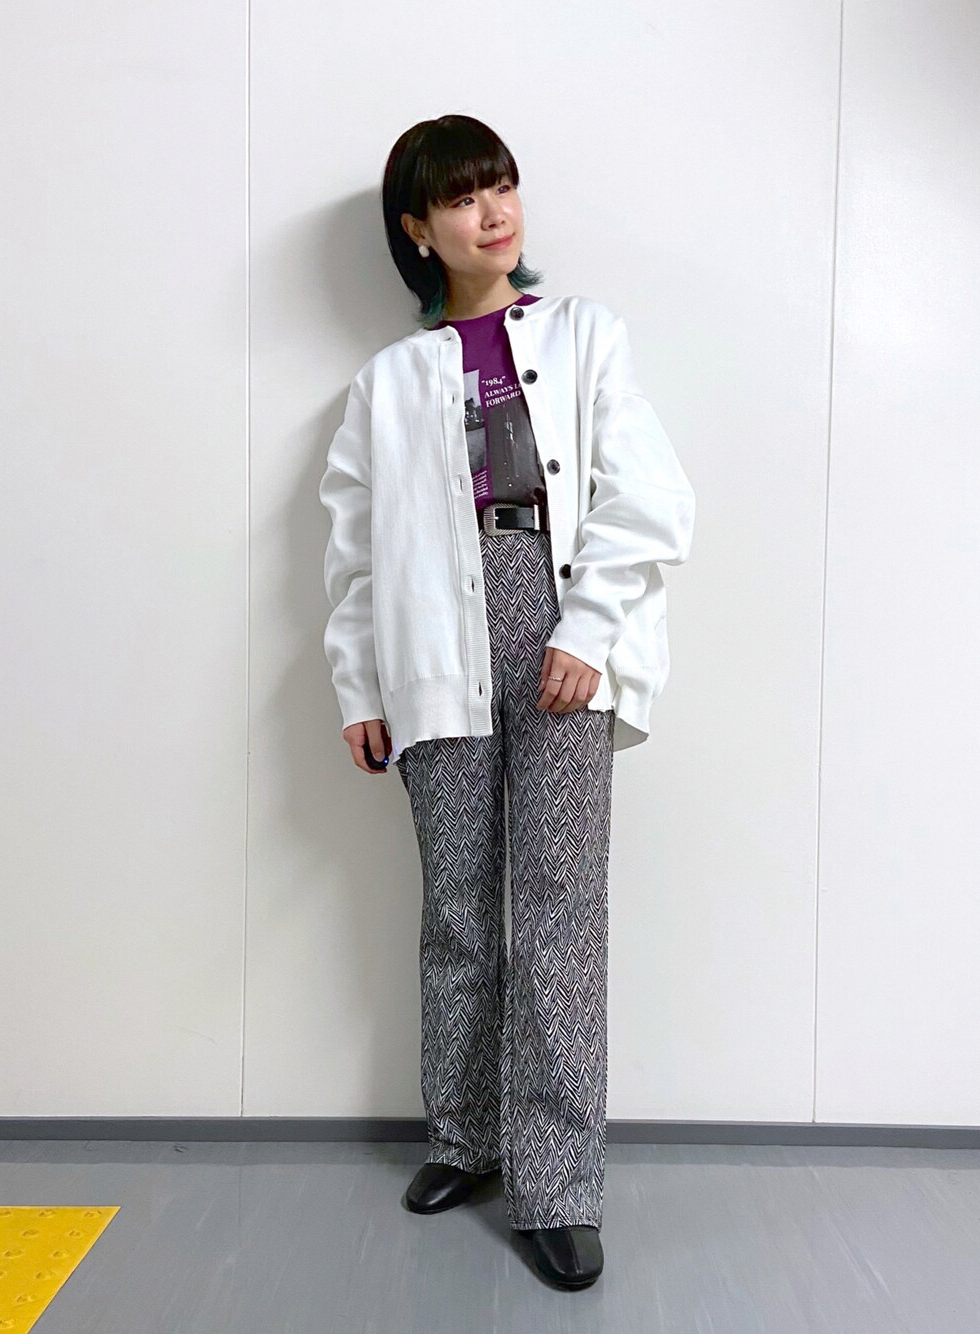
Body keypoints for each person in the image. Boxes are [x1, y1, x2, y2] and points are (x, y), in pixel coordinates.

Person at [318, 114, 696, 1290]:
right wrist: (359, 684)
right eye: (462, 197)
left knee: (558, 909)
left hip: (557, 610)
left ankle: (557, 1182)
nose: (492, 213)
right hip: (433, 637)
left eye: (501, 187)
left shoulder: (584, 334)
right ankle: (465, 1137)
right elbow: (355, 555)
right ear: (417, 229)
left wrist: (587, 628)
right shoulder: (385, 382)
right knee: (458, 908)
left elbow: (649, 495)